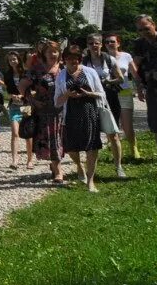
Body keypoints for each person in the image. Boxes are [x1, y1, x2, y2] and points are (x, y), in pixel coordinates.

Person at [57, 43, 106, 192]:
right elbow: (57, 101)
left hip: (89, 112)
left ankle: (90, 181)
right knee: (71, 148)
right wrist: (67, 94)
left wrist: (88, 94)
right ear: (64, 59)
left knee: (91, 146)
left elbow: (101, 93)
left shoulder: (89, 72)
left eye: (77, 58)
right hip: (70, 114)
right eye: (70, 58)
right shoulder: (61, 75)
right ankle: (79, 166)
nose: (74, 61)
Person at [20, 40, 66, 183]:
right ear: (43, 53)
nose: (52, 54)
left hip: (64, 109)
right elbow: (22, 86)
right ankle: (58, 170)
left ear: (59, 52)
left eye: (55, 51)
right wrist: (32, 100)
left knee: (62, 140)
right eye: (49, 51)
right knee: (52, 140)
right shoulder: (37, 69)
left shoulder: (64, 68)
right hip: (45, 111)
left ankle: (55, 165)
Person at [83, 34, 126, 178]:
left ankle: (118, 166)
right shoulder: (83, 62)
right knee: (92, 135)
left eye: (96, 43)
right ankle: (90, 170)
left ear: (101, 44)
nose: (94, 46)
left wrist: (107, 81)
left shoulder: (109, 59)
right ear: (87, 45)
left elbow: (120, 79)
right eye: (90, 43)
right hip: (90, 100)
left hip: (109, 99)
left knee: (113, 134)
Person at [130, 15, 157, 169]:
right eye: (140, 30)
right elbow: (134, 65)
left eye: (146, 28)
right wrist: (138, 85)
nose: (144, 32)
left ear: (153, 24)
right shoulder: (139, 44)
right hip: (153, 90)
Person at [105, 33, 139, 160]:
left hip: (124, 93)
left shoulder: (126, 56)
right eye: (107, 42)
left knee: (127, 125)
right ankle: (115, 151)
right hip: (109, 94)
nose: (109, 44)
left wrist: (140, 88)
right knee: (112, 125)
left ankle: (133, 147)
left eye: (112, 41)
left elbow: (135, 74)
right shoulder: (103, 57)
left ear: (118, 43)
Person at [0, 51, 28, 169]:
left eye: (14, 59)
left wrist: (22, 95)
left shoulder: (26, 73)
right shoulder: (7, 75)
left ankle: (30, 159)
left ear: (18, 59)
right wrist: (12, 96)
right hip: (14, 105)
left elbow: (32, 90)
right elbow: (8, 91)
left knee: (28, 133)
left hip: (26, 105)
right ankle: (14, 160)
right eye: (10, 60)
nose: (13, 61)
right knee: (15, 133)